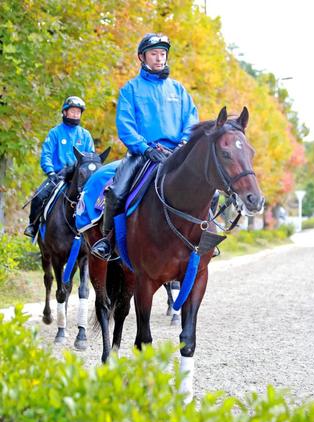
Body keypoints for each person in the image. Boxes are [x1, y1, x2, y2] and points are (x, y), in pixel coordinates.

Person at [91, 33, 199, 260]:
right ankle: (108, 241)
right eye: (153, 54)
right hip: (144, 154)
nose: (159, 58)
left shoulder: (179, 90)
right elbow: (125, 124)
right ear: (142, 57)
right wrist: (144, 147)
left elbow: (191, 120)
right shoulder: (130, 89)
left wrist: (184, 143)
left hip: (177, 154)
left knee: (206, 185)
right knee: (117, 191)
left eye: (162, 54)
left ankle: (203, 236)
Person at [24, 96, 95, 238]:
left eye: (78, 112)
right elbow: (47, 154)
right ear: (64, 112)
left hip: (79, 178)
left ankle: (97, 234)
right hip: (59, 176)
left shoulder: (85, 135)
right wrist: (50, 171)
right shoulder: (55, 133)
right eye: (72, 111)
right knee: (39, 196)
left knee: (96, 200)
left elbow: (91, 157)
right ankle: (33, 225)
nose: (75, 114)